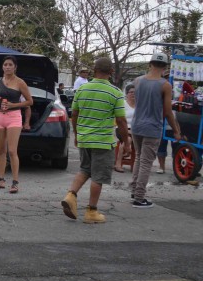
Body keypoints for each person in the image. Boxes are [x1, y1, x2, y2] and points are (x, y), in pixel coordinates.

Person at [61, 57, 128, 224]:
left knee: (85, 169)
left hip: (84, 138)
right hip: (103, 141)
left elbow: (74, 115)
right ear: (111, 72)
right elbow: (121, 121)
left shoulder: (82, 89)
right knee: (98, 177)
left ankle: (71, 195)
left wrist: (77, 135)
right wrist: (126, 141)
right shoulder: (116, 93)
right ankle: (91, 211)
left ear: (94, 70)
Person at [129, 53, 183, 208]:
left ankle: (134, 190)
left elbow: (138, 103)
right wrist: (176, 130)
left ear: (150, 64)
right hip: (152, 127)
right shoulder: (165, 85)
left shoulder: (138, 81)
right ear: (165, 67)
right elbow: (167, 111)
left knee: (139, 158)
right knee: (146, 162)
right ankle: (139, 198)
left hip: (137, 125)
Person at [0, 55, 33, 194]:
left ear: (15, 67)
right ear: (2, 67)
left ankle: (15, 182)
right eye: (5, 64)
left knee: (12, 151)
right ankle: (0, 180)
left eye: (10, 65)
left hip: (14, 117)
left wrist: (14, 104)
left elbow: (30, 102)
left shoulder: (20, 82)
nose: (7, 67)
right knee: (1, 150)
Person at [113, 84, 136, 173]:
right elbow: (120, 120)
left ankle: (137, 163)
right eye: (131, 92)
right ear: (126, 94)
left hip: (135, 130)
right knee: (128, 139)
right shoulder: (123, 104)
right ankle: (118, 164)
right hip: (122, 129)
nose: (133, 94)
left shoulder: (139, 105)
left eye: (135, 92)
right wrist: (128, 130)